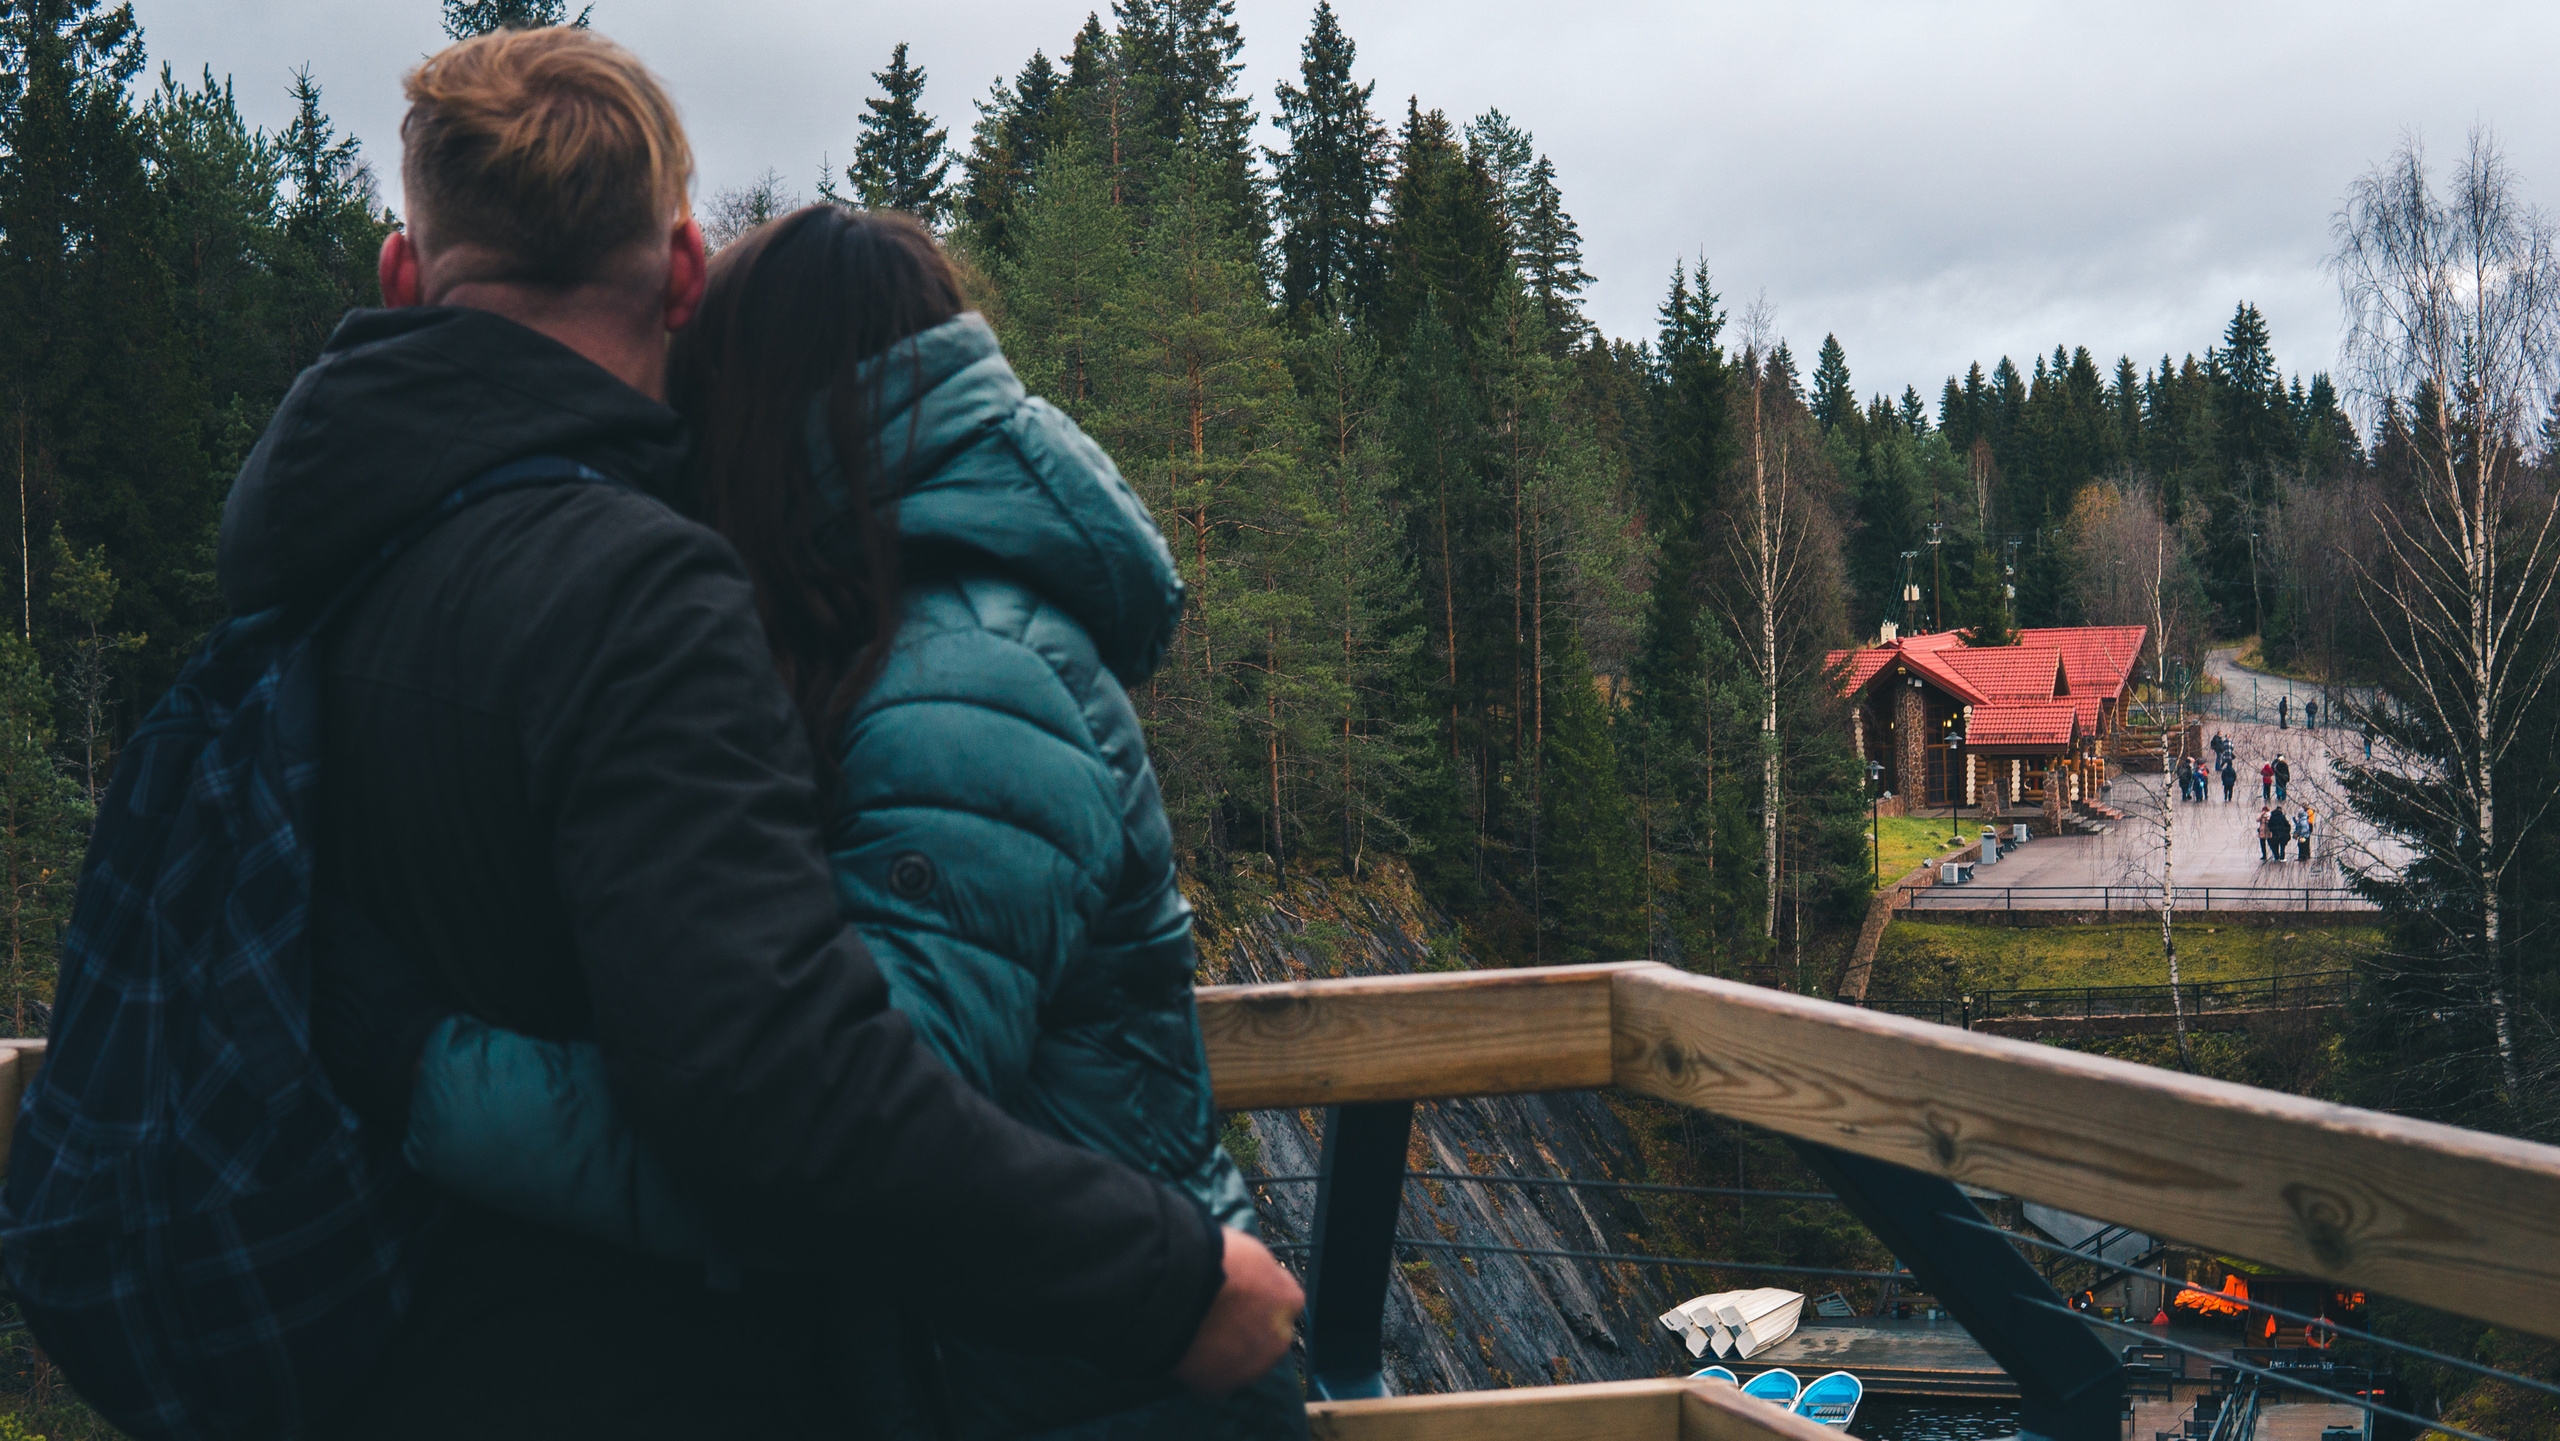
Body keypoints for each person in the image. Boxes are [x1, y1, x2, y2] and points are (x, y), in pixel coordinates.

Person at [228, 29, 1297, 1436]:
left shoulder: (969, 673)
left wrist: (429, 1062)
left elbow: (837, 1125)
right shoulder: (859, 625)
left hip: (1088, 1391)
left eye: (703, 383)